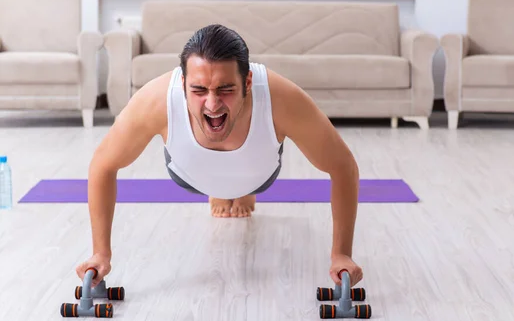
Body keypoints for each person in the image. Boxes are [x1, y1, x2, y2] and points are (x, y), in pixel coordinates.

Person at [75, 24, 363, 289]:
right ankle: (222, 192)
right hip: (190, 175)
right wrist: (101, 253)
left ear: (248, 83)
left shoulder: (280, 97)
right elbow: (103, 164)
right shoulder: (157, 99)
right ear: (183, 82)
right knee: (213, 163)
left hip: (258, 173)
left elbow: (342, 166)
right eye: (198, 90)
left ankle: (242, 192)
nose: (212, 103)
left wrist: (341, 254)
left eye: (226, 89)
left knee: (250, 175)